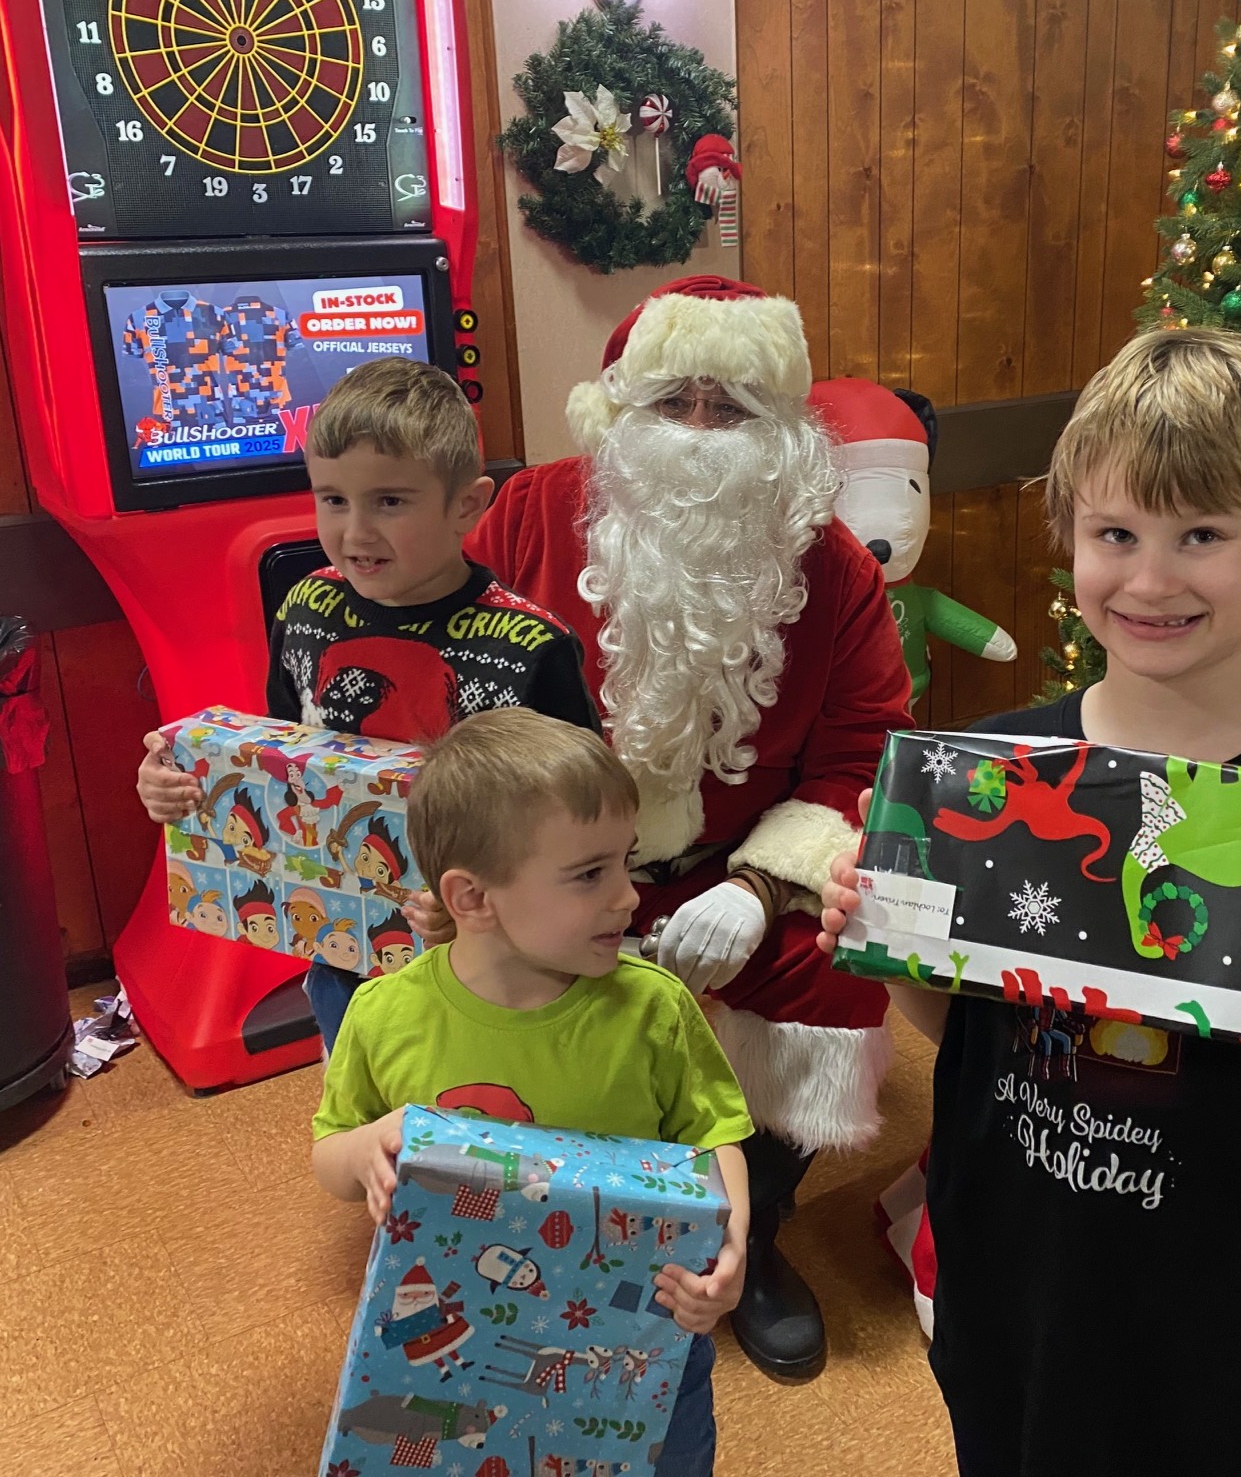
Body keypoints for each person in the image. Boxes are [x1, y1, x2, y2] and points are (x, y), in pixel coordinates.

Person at [818, 329, 1241, 1476]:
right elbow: (963, 1030)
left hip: (1220, 1287)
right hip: (1013, 1260)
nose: (1151, 580)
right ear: (1070, 535)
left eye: (1201, 535)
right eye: (1116, 534)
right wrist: (890, 936)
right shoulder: (996, 775)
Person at [457, 275, 913, 1377]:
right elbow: (445, 671)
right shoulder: (530, 512)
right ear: (621, 408)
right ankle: (556, 1218)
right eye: (674, 401)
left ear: (783, 427)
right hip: (549, 862)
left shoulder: (833, 565)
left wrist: (761, 889)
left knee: (842, 959)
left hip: (740, 869)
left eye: (733, 405)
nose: (702, 430)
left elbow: (864, 751)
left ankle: (751, 1231)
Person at [311, 709, 752, 1477]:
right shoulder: (385, 1014)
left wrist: (733, 1242)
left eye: (626, 863)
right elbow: (329, 1154)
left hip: (640, 1339)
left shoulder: (652, 1007)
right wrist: (366, 1151)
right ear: (472, 898)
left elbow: (713, 1135)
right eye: (589, 874)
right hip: (464, 1347)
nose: (628, 898)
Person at [134, 358, 600, 1049]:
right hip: (343, 957)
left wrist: (489, 906)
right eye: (332, 499)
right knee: (358, 1102)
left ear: (467, 505)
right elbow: (285, 762)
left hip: (497, 974)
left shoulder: (531, 646)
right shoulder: (305, 608)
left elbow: (585, 828)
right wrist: (182, 785)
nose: (355, 531)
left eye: (389, 502)